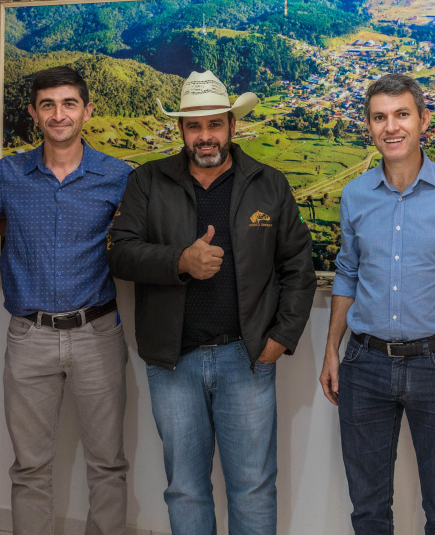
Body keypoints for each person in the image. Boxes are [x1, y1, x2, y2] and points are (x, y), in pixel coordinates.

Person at [106, 70, 316, 535]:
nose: (206, 136)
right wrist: (180, 260)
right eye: (194, 126)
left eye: (214, 124)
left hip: (247, 358)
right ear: (181, 131)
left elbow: (298, 266)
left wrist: (280, 338)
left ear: (232, 127)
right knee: (185, 487)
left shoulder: (269, 184)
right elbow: (120, 253)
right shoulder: (147, 181)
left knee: (254, 487)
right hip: (172, 362)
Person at [320, 73, 435, 534]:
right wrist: (331, 351)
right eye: (380, 117)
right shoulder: (356, 195)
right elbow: (347, 274)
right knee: (369, 511)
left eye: (401, 114)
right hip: (365, 363)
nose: (391, 127)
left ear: (423, 121)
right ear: (369, 125)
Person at [0, 66, 132, 535]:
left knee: (107, 464)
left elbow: (144, 238)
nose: (59, 115)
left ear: (87, 110)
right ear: (34, 113)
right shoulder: (10, 175)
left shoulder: (117, 176)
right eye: (48, 105)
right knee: (30, 467)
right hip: (29, 338)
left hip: (97, 334)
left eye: (69, 104)